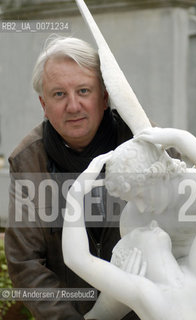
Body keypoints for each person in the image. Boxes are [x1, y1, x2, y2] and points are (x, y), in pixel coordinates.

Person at [4, 35, 139, 320]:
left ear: (104, 97)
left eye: (83, 90)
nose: (73, 106)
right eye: (59, 94)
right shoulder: (29, 160)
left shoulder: (145, 142)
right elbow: (25, 261)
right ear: (44, 104)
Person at [62, 127, 196, 320]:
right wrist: (180, 138)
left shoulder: (145, 295)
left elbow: (77, 258)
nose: (145, 216)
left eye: (141, 196)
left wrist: (75, 194)